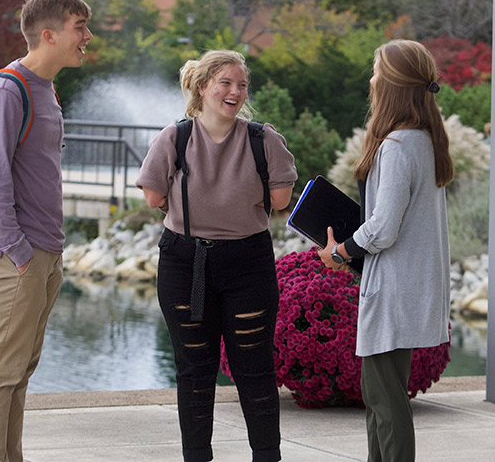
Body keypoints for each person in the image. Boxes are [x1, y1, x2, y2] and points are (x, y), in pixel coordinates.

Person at [135, 50, 297, 462]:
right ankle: (257, 456)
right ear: (203, 87)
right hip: (191, 264)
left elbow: (156, 196)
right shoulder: (183, 136)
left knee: (200, 369)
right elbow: (278, 199)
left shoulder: (250, 138)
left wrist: (195, 198)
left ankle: (237, 456)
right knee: (249, 368)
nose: (235, 91)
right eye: (226, 83)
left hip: (236, 262)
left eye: (241, 85)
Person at [0, 0, 92, 462]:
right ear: (49, 34)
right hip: (15, 257)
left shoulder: (46, 88)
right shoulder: (6, 90)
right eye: (80, 26)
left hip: (45, 254)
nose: (87, 37)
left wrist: (46, 256)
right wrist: (17, 252)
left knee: (19, 372)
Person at [318, 39, 453, 462]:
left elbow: (383, 228)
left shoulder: (397, 146)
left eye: (376, 70)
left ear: (392, 83)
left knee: (384, 399)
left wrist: (340, 252)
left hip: (395, 288)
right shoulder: (425, 141)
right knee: (381, 396)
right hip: (413, 284)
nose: (372, 79)